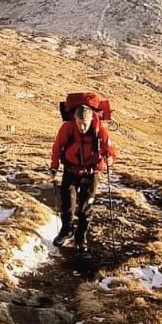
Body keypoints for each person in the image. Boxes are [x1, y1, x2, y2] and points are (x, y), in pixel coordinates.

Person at [49, 104, 114, 249]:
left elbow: (109, 150)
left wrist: (109, 158)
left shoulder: (100, 131)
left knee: (85, 207)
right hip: (70, 171)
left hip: (91, 174)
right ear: (75, 119)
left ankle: (81, 237)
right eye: (79, 123)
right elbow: (57, 147)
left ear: (91, 119)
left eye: (85, 124)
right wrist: (54, 167)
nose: (82, 127)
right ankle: (66, 231)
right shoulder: (68, 128)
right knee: (67, 204)